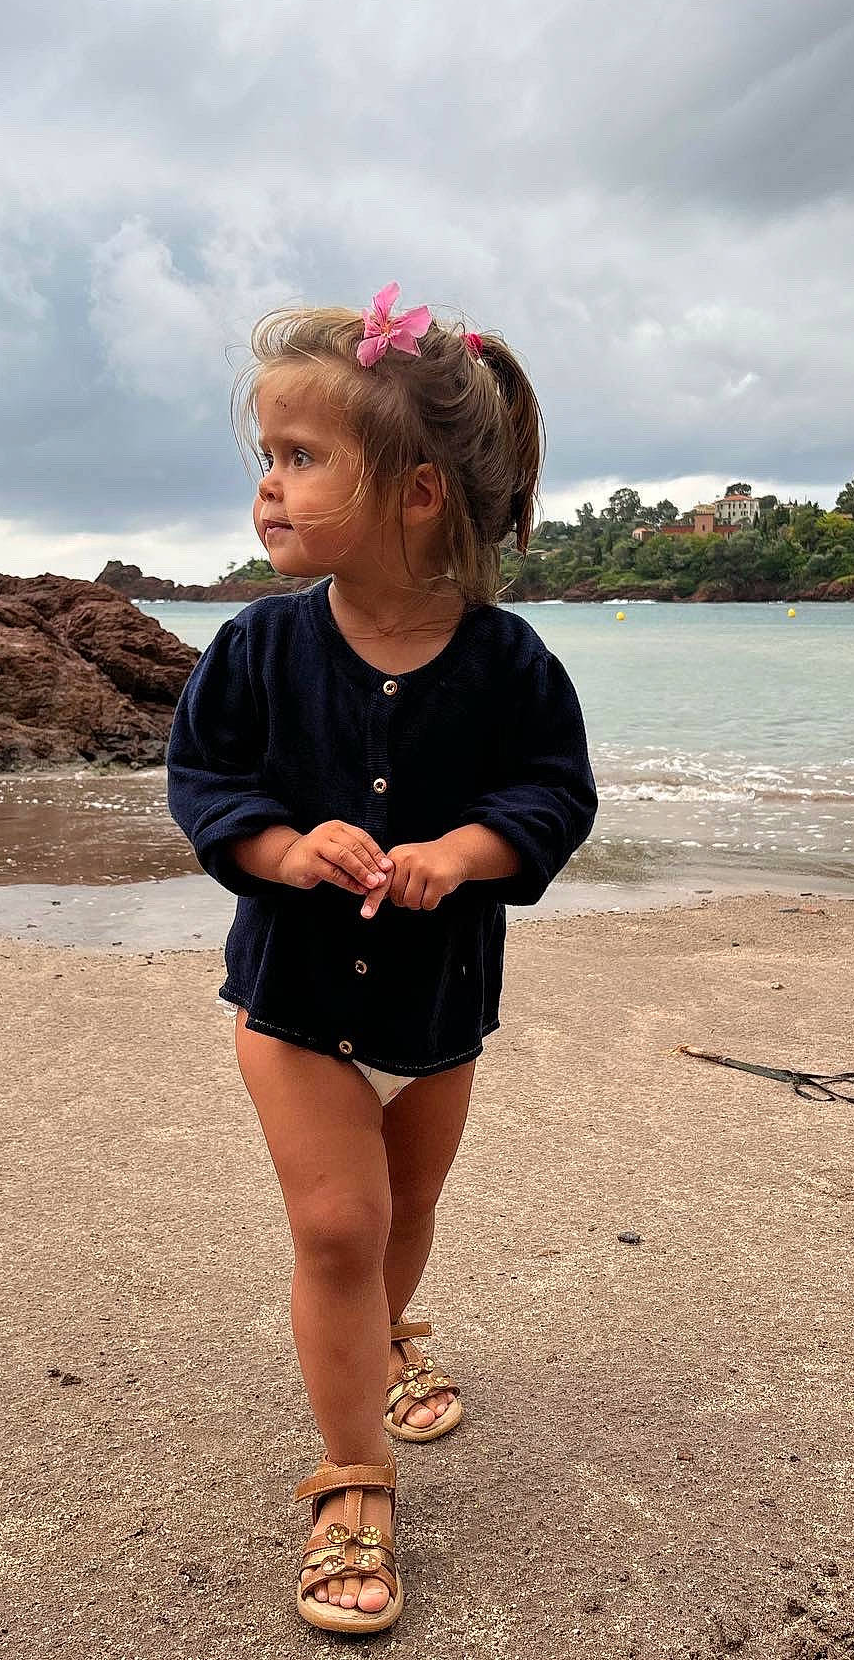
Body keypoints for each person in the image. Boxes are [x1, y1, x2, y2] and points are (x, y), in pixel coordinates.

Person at [165, 282, 597, 1634]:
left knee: (406, 1218)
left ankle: (389, 1336)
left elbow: (555, 792)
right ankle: (353, 1479)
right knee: (339, 1227)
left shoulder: (510, 663)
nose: (268, 488)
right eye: (267, 456)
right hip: (293, 1002)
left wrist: (463, 852)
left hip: (440, 1009)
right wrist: (287, 848)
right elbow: (206, 782)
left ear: (416, 495)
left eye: (301, 457)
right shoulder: (256, 647)